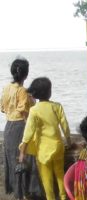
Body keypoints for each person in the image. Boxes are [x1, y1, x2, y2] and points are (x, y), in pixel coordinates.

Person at [18, 77, 72, 200]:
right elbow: (65, 126)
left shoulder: (34, 110)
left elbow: (28, 133)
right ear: (49, 92)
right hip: (58, 147)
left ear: (35, 94)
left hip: (43, 150)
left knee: (46, 178)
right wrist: (69, 142)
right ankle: (63, 197)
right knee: (60, 174)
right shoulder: (57, 106)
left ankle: (50, 198)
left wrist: (22, 153)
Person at [0, 58, 42, 200]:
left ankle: (17, 193)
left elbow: (2, 108)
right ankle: (26, 193)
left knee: (13, 161)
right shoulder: (23, 91)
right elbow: (25, 113)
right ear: (26, 73)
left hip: (8, 127)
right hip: (20, 127)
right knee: (25, 159)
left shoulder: (6, 88)